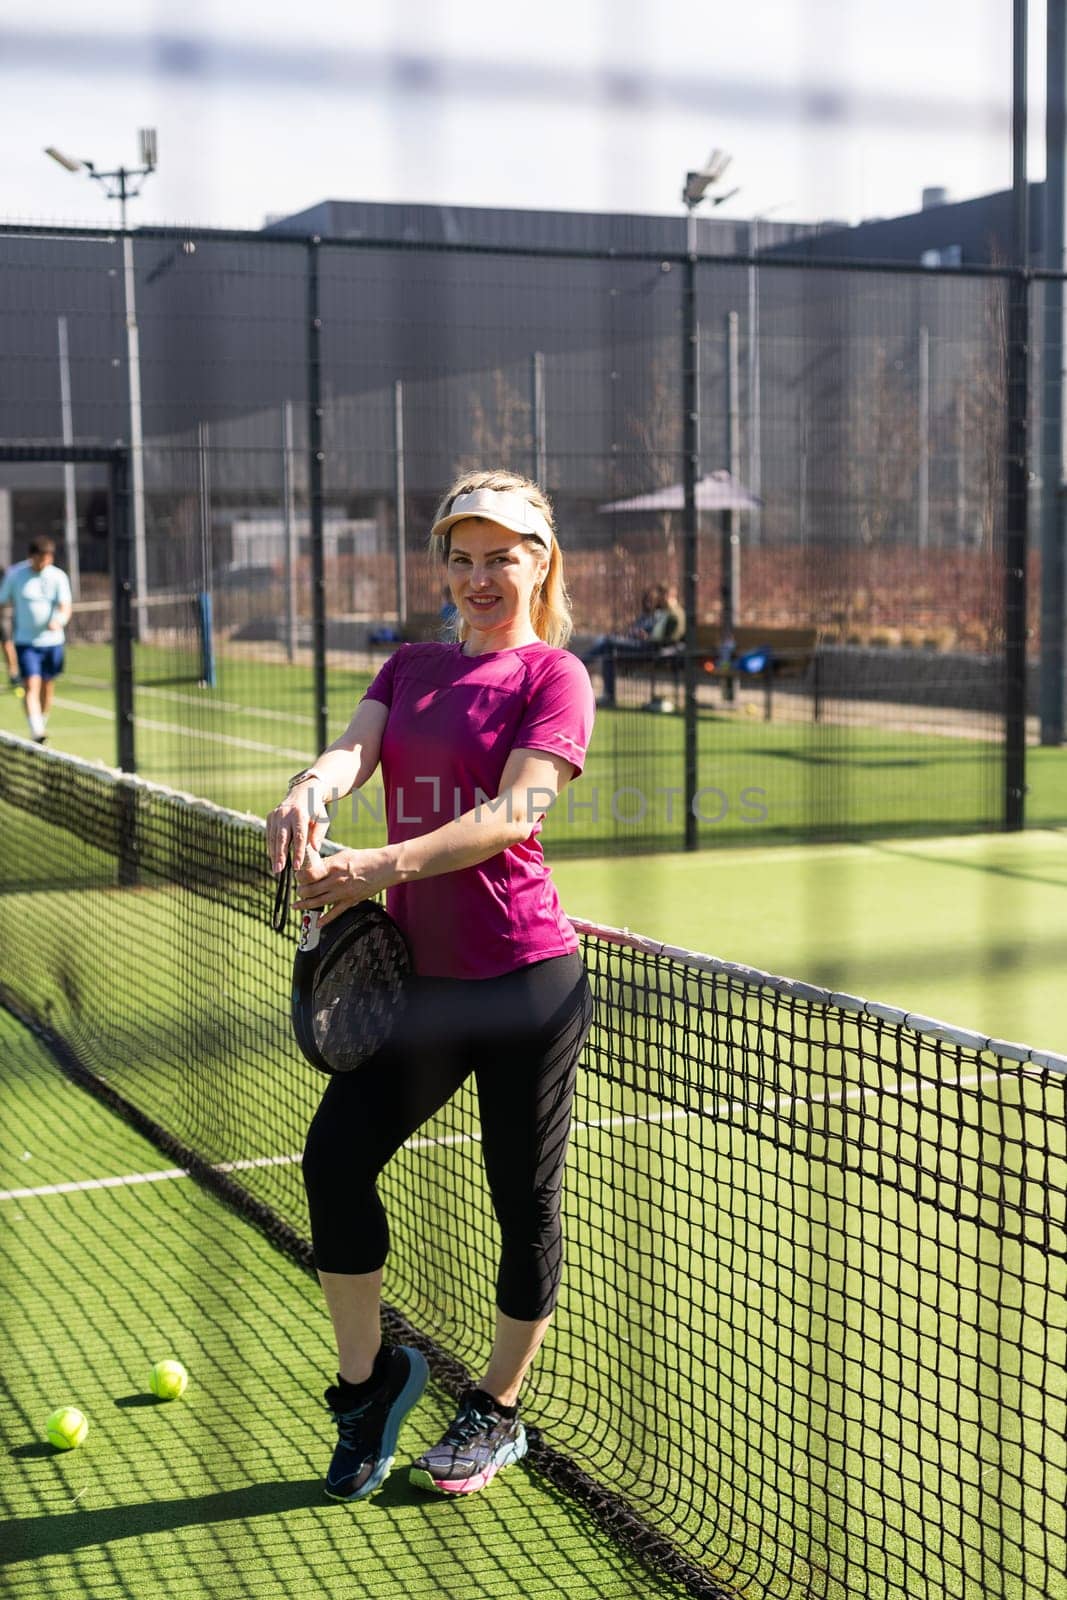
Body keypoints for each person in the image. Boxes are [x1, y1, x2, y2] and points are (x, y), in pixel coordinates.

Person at [266, 468, 596, 1504]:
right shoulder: (408, 664)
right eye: (461, 556)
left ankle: (495, 1409)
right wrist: (310, 787)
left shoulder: (557, 677)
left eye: (501, 554)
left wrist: (370, 867)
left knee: (520, 1201)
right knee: (333, 1161)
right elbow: (354, 751)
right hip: (420, 985)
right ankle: (367, 1386)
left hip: (524, 983)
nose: (478, 575)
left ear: (539, 562)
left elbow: (513, 815)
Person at [0, 537, 73, 742]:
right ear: (31, 557)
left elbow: (65, 606)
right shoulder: (15, 575)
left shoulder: (59, 577)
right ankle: (37, 731)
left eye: (47, 559)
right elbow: (2, 600)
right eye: (40, 559)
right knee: (31, 685)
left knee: (47, 686)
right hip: (26, 643)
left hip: (53, 642)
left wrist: (59, 620)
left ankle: (41, 723)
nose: (44, 563)